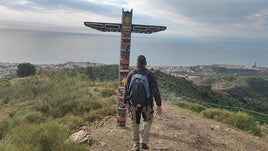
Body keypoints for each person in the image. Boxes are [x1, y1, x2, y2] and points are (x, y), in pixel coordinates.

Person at [124, 55, 162, 151]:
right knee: (148, 121)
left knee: (135, 124)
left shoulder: (131, 74)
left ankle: (136, 145)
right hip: (147, 105)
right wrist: (159, 104)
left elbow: (126, 89)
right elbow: (156, 91)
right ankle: (144, 142)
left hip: (133, 104)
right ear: (145, 64)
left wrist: (125, 101)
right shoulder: (150, 75)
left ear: (137, 63)